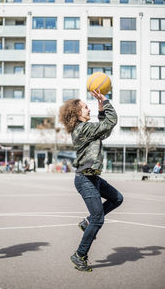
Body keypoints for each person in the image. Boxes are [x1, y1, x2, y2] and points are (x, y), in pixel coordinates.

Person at [59, 90, 123, 272]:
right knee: (98, 219)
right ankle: (80, 255)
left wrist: (101, 109)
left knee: (117, 198)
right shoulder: (82, 129)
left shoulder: (88, 130)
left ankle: (87, 222)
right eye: (86, 107)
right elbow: (111, 122)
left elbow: (105, 130)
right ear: (77, 114)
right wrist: (106, 102)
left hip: (92, 176)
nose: (89, 109)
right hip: (84, 179)